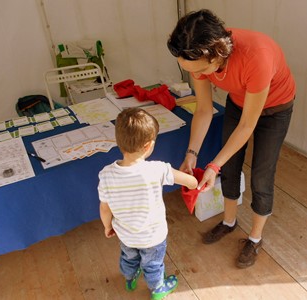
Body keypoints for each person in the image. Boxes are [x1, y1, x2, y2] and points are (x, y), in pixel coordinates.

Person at [167, 9, 295, 268]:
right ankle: (228, 221)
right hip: (239, 102)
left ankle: (255, 238)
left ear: (216, 56)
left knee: (261, 173)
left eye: (200, 71)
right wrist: (191, 154)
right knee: (229, 166)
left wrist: (213, 165)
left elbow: (249, 124)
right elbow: (203, 110)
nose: (198, 75)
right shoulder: (198, 57)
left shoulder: (256, 56)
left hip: (276, 108)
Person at [98, 107, 198, 299]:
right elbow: (190, 182)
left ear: (118, 141)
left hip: (125, 234)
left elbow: (104, 207)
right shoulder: (157, 169)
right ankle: (157, 288)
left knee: (129, 257)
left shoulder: (105, 174)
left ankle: (129, 278)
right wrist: (195, 182)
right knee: (153, 264)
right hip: (153, 236)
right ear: (148, 146)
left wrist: (107, 226)